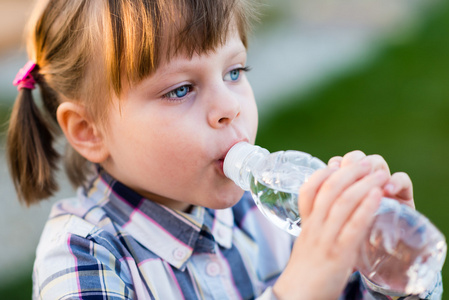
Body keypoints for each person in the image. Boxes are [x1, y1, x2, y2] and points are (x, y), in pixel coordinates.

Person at [7, 0, 442, 299]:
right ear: (89, 131)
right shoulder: (82, 254)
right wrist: (297, 290)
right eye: (181, 89)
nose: (228, 108)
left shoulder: (261, 215)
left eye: (234, 71)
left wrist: (383, 266)